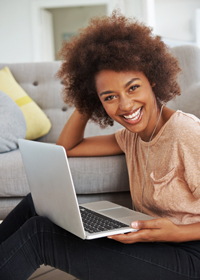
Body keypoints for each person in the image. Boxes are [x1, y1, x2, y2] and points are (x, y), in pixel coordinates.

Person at [1, 12, 200, 280]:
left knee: (41, 236)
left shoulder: (185, 132)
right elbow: (68, 148)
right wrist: (89, 98)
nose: (125, 106)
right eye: (110, 97)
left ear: (152, 79)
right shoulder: (132, 136)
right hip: (156, 243)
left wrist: (177, 232)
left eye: (132, 88)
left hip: (190, 256)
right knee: (36, 204)